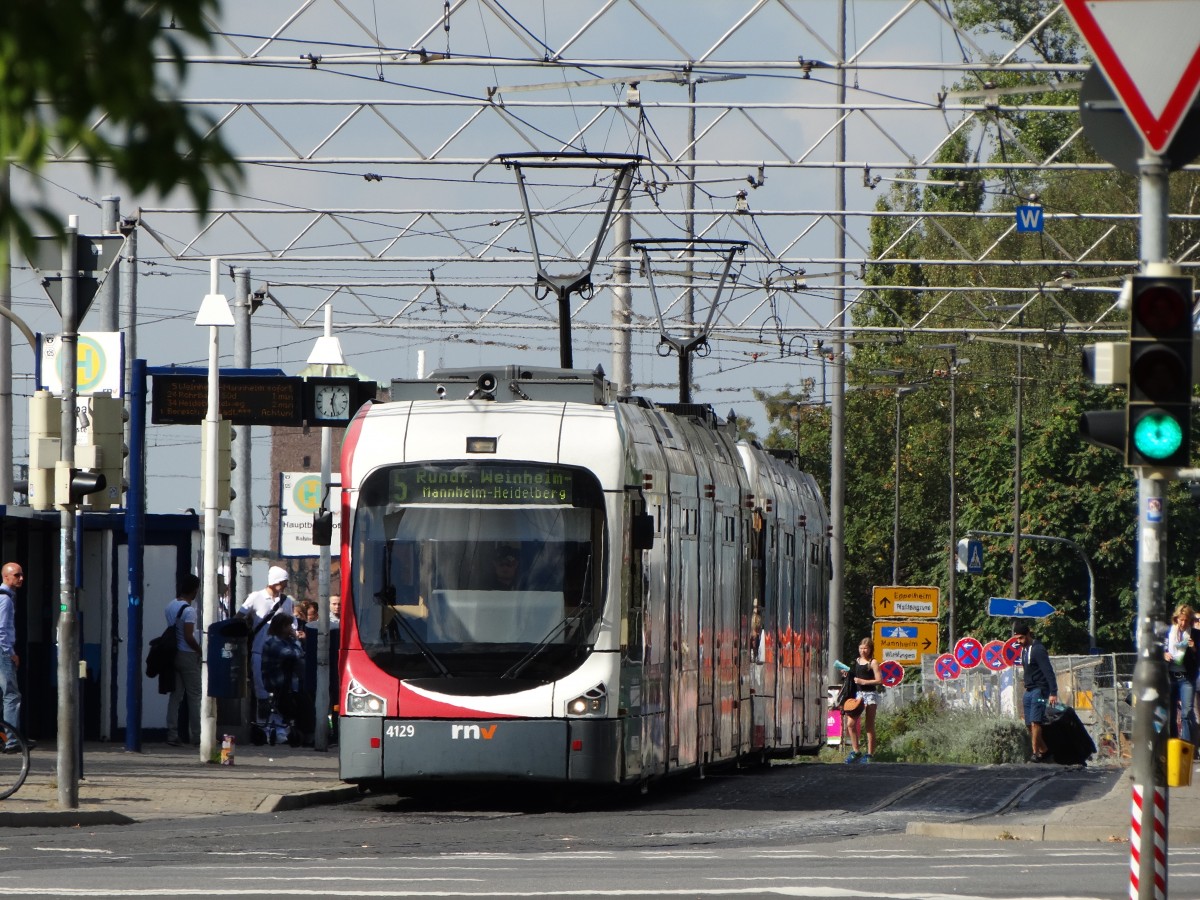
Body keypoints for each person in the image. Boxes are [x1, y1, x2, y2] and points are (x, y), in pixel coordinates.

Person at [239, 566, 294, 704]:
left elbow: (293, 625)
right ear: (276, 582)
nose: (286, 586)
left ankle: (277, 720)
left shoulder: (287, 602)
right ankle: (262, 721)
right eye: (284, 582)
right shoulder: (255, 597)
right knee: (260, 688)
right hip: (259, 650)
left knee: (280, 689)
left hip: (280, 652)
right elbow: (239, 616)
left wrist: (295, 632)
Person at [261, 613, 313, 741]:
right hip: (277, 681)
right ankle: (302, 732)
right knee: (301, 703)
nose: (291, 628)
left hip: (291, 681)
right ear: (282, 627)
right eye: (289, 625)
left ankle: (306, 733)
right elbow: (293, 654)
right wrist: (296, 640)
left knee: (306, 701)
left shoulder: (288, 641)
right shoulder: (272, 642)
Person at [1013, 620, 1059, 762]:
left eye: (1021, 638)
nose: (1019, 642)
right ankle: (1044, 750)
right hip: (1029, 690)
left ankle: (1035, 753)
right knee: (1028, 723)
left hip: (1040, 690)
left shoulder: (1038, 649)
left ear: (1028, 634)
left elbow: (1048, 671)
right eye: (1017, 639)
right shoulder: (1024, 650)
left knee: (1035, 722)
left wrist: (1053, 692)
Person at [165, 573, 202, 747]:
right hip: (187, 654)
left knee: (176, 696)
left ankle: (172, 734)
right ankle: (197, 735)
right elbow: (188, 636)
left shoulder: (170, 606)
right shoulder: (189, 611)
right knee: (194, 696)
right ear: (194, 590)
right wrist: (199, 650)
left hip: (172, 654)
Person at [1163, 603, 1198, 744]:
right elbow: (1158, 650)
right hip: (1170, 677)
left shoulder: (1195, 634)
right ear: (1176, 618)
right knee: (1170, 713)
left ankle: (1187, 746)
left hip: (1187, 678)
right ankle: (1173, 744)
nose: (1183, 623)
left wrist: (1194, 648)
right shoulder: (1168, 632)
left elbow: (1197, 658)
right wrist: (1164, 654)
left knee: (1186, 713)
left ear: (1190, 620)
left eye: (1186, 620)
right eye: (1181, 619)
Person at [0, 562, 26, 753]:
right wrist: (11, 653)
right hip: (3, 651)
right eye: (16, 575)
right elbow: (1, 629)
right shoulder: (5, 599)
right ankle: (12, 740)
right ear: (6, 577)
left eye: (21, 574)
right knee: (11, 695)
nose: (21, 578)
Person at [845, 637, 882, 764]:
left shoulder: (873, 662)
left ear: (870, 649)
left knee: (869, 725)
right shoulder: (856, 661)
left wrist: (864, 682)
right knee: (850, 723)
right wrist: (847, 675)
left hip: (870, 694)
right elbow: (854, 677)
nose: (863, 651)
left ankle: (870, 754)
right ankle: (856, 751)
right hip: (858, 695)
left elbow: (879, 680)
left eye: (865, 648)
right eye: (861, 648)